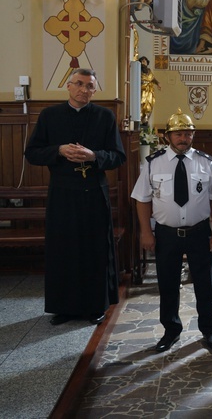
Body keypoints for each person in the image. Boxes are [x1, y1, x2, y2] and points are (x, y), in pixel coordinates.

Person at [24, 68, 126, 326]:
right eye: (79, 84)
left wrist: (94, 156)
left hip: (94, 192)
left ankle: (96, 306)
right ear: (68, 86)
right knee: (63, 249)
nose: (84, 90)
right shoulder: (50, 116)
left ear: (95, 89)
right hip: (62, 193)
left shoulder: (105, 116)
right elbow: (32, 153)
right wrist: (58, 150)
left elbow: (118, 156)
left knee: (95, 250)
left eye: (90, 86)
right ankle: (64, 307)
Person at [131, 108, 212, 352]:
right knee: (168, 284)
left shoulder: (206, 163)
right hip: (166, 234)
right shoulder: (153, 164)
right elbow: (142, 199)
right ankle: (171, 331)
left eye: (188, 133)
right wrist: (145, 232)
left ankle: (209, 329)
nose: (184, 138)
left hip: (198, 232)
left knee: (205, 284)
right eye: (179, 134)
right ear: (167, 136)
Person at [139, 56, 161, 126]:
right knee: (142, 104)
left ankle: (146, 119)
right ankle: (140, 118)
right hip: (142, 90)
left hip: (149, 91)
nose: (144, 62)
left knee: (149, 105)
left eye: (145, 61)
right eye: (142, 61)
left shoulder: (149, 71)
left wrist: (158, 83)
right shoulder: (138, 71)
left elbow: (153, 79)